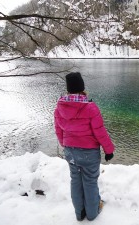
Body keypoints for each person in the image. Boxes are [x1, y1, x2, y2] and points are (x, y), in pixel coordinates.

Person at [54, 72, 115, 221]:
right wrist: (109, 150)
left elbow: (58, 130)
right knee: (89, 181)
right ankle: (93, 213)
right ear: (82, 88)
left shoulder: (59, 108)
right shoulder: (90, 108)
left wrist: (65, 145)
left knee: (75, 180)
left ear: (68, 89)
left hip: (70, 151)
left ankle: (79, 213)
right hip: (89, 153)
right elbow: (100, 132)